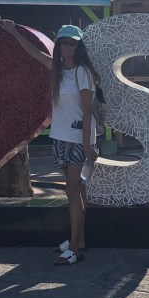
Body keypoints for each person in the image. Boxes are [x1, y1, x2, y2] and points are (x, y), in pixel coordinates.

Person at [49, 24, 99, 265]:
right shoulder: (57, 71)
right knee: (77, 190)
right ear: (58, 44)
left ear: (78, 46)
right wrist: (13, 32)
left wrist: (87, 144)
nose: (68, 47)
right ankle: (79, 241)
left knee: (72, 190)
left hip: (78, 138)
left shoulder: (83, 72)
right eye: (64, 42)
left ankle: (73, 250)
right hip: (60, 136)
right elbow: (35, 54)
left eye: (72, 43)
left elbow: (88, 111)